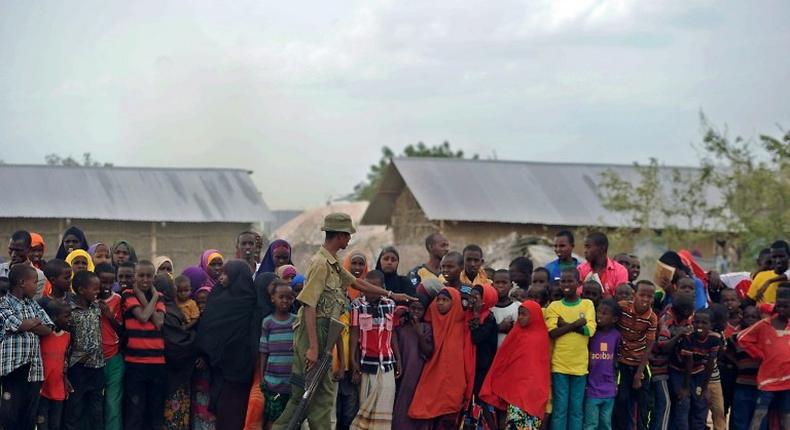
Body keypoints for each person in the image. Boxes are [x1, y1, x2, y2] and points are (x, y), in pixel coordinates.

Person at [195, 260, 262, 430]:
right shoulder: (217, 296)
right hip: (219, 371)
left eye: (226, 274)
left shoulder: (250, 304)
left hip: (242, 372)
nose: (221, 277)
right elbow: (208, 329)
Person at [479, 300, 550, 430]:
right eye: (519, 314)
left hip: (534, 392)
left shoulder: (541, 337)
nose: (521, 318)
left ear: (534, 316)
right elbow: (504, 360)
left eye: (524, 314)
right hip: (516, 391)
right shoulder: (515, 333)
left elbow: (541, 368)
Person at [0, 264, 54, 429]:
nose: (38, 285)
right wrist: (33, 322)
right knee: (10, 416)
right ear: (22, 282)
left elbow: (48, 329)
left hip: (34, 371)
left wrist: (28, 324)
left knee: (29, 418)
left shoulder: (32, 303)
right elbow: (16, 324)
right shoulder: (4, 303)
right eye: (35, 281)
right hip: (13, 369)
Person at [409, 288, 472, 428]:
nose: (440, 303)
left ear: (454, 302)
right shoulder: (431, 323)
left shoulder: (463, 324)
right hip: (433, 378)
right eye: (438, 300)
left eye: (445, 300)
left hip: (455, 381)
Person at [545, 267, 597, 430]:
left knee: (576, 410)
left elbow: (590, 330)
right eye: (563, 281)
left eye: (570, 281)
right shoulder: (554, 306)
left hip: (580, 367)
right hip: (559, 366)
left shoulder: (587, 304)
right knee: (560, 409)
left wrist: (565, 325)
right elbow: (552, 333)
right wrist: (575, 324)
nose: (566, 284)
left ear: (579, 283)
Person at [349, 270, 400, 430]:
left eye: (375, 287)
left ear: (382, 288)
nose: (371, 291)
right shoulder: (357, 306)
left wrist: (399, 359)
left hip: (387, 363)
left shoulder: (390, 305)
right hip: (366, 363)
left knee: (385, 404)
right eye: (367, 287)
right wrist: (353, 360)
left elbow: (392, 335)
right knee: (366, 405)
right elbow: (354, 334)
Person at [738, 285, 790, 430]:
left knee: (786, 416)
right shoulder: (764, 324)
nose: (782, 310)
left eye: (786, 306)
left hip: (788, 380)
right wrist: (760, 354)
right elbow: (742, 338)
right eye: (779, 306)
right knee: (759, 413)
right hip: (768, 379)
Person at [122, 260, 166, 430]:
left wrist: (154, 296)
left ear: (154, 278)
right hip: (135, 363)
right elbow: (142, 317)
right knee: (135, 409)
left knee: (155, 409)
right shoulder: (128, 294)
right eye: (141, 275)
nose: (145, 280)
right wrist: (147, 297)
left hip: (157, 363)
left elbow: (159, 322)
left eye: (149, 276)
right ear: (135, 277)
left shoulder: (160, 296)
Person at [63, 270, 105, 430]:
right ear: (81, 290)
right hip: (78, 368)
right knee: (75, 409)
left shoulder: (96, 308)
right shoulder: (69, 310)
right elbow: (67, 341)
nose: (97, 292)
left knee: (96, 409)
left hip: (97, 366)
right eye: (94, 289)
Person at [614, 280, 658, 430]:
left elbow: (649, 345)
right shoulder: (622, 307)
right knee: (622, 400)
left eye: (650, 296)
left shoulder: (652, 317)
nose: (646, 299)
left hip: (640, 363)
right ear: (634, 295)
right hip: (622, 362)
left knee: (644, 402)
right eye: (642, 295)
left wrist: (639, 374)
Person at [668, 309, 720, 430]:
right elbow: (688, 363)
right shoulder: (688, 337)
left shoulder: (714, 339)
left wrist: (705, 387)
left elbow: (710, 363)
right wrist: (685, 388)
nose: (699, 326)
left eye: (704, 323)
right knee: (684, 402)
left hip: (699, 372)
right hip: (680, 372)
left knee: (701, 402)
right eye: (697, 322)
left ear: (711, 325)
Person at [649, 294, 694, 430]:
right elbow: (663, 346)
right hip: (659, 367)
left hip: (669, 367)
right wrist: (679, 335)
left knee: (671, 404)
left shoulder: (682, 320)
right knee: (665, 403)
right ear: (684, 311)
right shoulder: (666, 321)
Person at [159, 274, 198, 430]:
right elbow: (177, 344)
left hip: (175, 375)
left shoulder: (170, 307)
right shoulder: (167, 311)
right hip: (173, 374)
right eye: (172, 287)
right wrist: (194, 336)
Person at [259, 280, 296, 430]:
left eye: (289, 297)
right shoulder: (267, 323)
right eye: (281, 297)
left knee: (291, 418)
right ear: (272, 298)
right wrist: (262, 377)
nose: (285, 301)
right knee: (273, 417)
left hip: (291, 381)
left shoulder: (296, 321)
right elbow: (263, 351)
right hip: (272, 382)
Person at [393, 296, 434, 430]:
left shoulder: (427, 328)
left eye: (420, 309)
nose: (416, 312)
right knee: (400, 404)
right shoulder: (401, 326)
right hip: (403, 370)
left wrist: (419, 333)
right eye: (413, 308)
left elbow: (428, 351)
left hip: (418, 373)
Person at [583, 298, 621, 430]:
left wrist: (616, 382)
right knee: (591, 424)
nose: (600, 316)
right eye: (598, 312)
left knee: (605, 423)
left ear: (614, 319)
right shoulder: (592, 334)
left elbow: (617, 360)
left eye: (605, 313)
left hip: (609, 389)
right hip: (592, 388)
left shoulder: (616, 336)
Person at [95, 262, 123, 430]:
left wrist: (109, 315)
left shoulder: (118, 300)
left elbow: (122, 329)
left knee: (113, 403)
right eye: (102, 282)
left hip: (114, 358)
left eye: (110, 282)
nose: (106, 286)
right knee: (95, 403)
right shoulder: (88, 298)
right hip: (92, 360)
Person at [36, 300, 72, 430]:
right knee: (42, 423)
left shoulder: (67, 336)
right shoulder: (43, 336)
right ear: (54, 317)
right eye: (66, 316)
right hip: (42, 387)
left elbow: (65, 361)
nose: (70, 319)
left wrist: (65, 378)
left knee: (55, 424)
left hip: (58, 387)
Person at [727, 305, 761, 430]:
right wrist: (740, 365)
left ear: (759, 319)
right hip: (742, 384)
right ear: (742, 318)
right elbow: (727, 353)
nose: (750, 320)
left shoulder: (764, 337)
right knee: (740, 420)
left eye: (754, 317)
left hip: (761, 386)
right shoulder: (735, 338)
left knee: (758, 420)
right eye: (747, 317)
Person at [577, 232, 628, 297]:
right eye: (585, 247)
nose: (585, 251)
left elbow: (621, 298)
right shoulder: (580, 269)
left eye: (588, 247)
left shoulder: (620, 271)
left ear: (602, 248)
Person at [0, 230, 47, 299]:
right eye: (11, 249)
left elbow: (33, 304)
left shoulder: (39, 276)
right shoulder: (1, 269)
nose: (13, 254)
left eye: (18, 250)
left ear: (29, 250)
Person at [747, 240, 790, 305]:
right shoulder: (761, 276)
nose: (778, 261)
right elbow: (749, 302)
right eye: (774, 257)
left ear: (788, 256)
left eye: (781, 256)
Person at [491, 269, 520, 347]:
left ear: (511, 285)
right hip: (491, 355)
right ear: (492, 285)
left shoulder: (518, 307)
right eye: (497, 282)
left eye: (504, 283)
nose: (500, 286)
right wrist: (498, 328)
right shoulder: (488, 308)